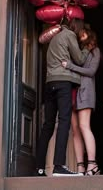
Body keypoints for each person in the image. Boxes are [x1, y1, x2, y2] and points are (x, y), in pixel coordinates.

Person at [35, 18, 90, 177]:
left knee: (48, 125)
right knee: (64, 121)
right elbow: (79, 59)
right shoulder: (69, 35)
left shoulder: (54, 38)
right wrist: (86, 48)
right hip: (63, 82)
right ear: (77, 29)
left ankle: (39, 168)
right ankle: (59, 166)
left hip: (49, 83)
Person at [62, 28, 100, 176]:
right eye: (80, 35)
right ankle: (80, 167)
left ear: (90, 34)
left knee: (84, 126)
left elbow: (91, 72)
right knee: (76, 131)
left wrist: (70, 66)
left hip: (85, 92)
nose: (81, 37)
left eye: (84, 34)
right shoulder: (76, 51)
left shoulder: (94, 51)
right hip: (72, 91)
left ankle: (92, 164)